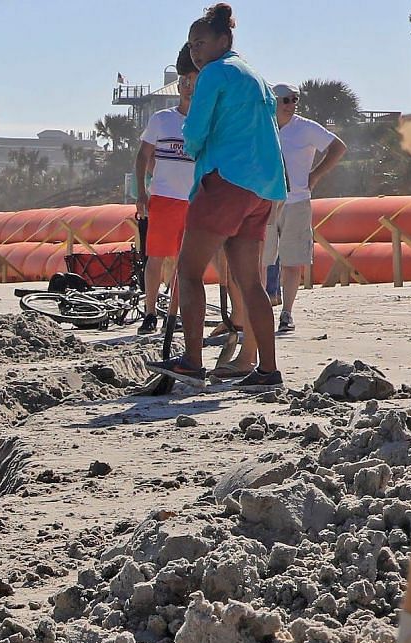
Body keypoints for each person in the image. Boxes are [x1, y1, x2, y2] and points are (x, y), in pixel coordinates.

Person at [146, 3, 286, 390]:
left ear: (223, 41)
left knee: (188, 271)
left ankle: (192, 361)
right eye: (191, 45)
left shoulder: (214, 74)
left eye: (201, 43)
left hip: (225, 181)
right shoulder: (255, 76)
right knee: (249, 281)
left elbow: (194, 133)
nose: (195, 51)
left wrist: (194, 144)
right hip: (262, 188)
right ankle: (267, 371)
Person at [264, 83, 345, 334]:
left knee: (292, 260)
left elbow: (338, 147)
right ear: (272, 102)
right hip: (264, 201)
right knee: (260, 260)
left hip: (296, 200)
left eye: (294, 99)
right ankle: (259, 311)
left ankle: (287, 312)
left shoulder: (305, 127)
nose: (291, 105)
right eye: (285, 100)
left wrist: (316, 175)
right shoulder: (262, 126)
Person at [136, 46, 201, 338]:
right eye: (185, 81)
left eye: (195, 81)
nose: (189, 87)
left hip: (194, 202)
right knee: (156, 257)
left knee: (184, 261)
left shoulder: (205, 122)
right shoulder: (162, 119)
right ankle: (150, 312)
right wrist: (142, 192)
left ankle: (175, 314)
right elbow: (143, 155)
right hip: (163, 200)